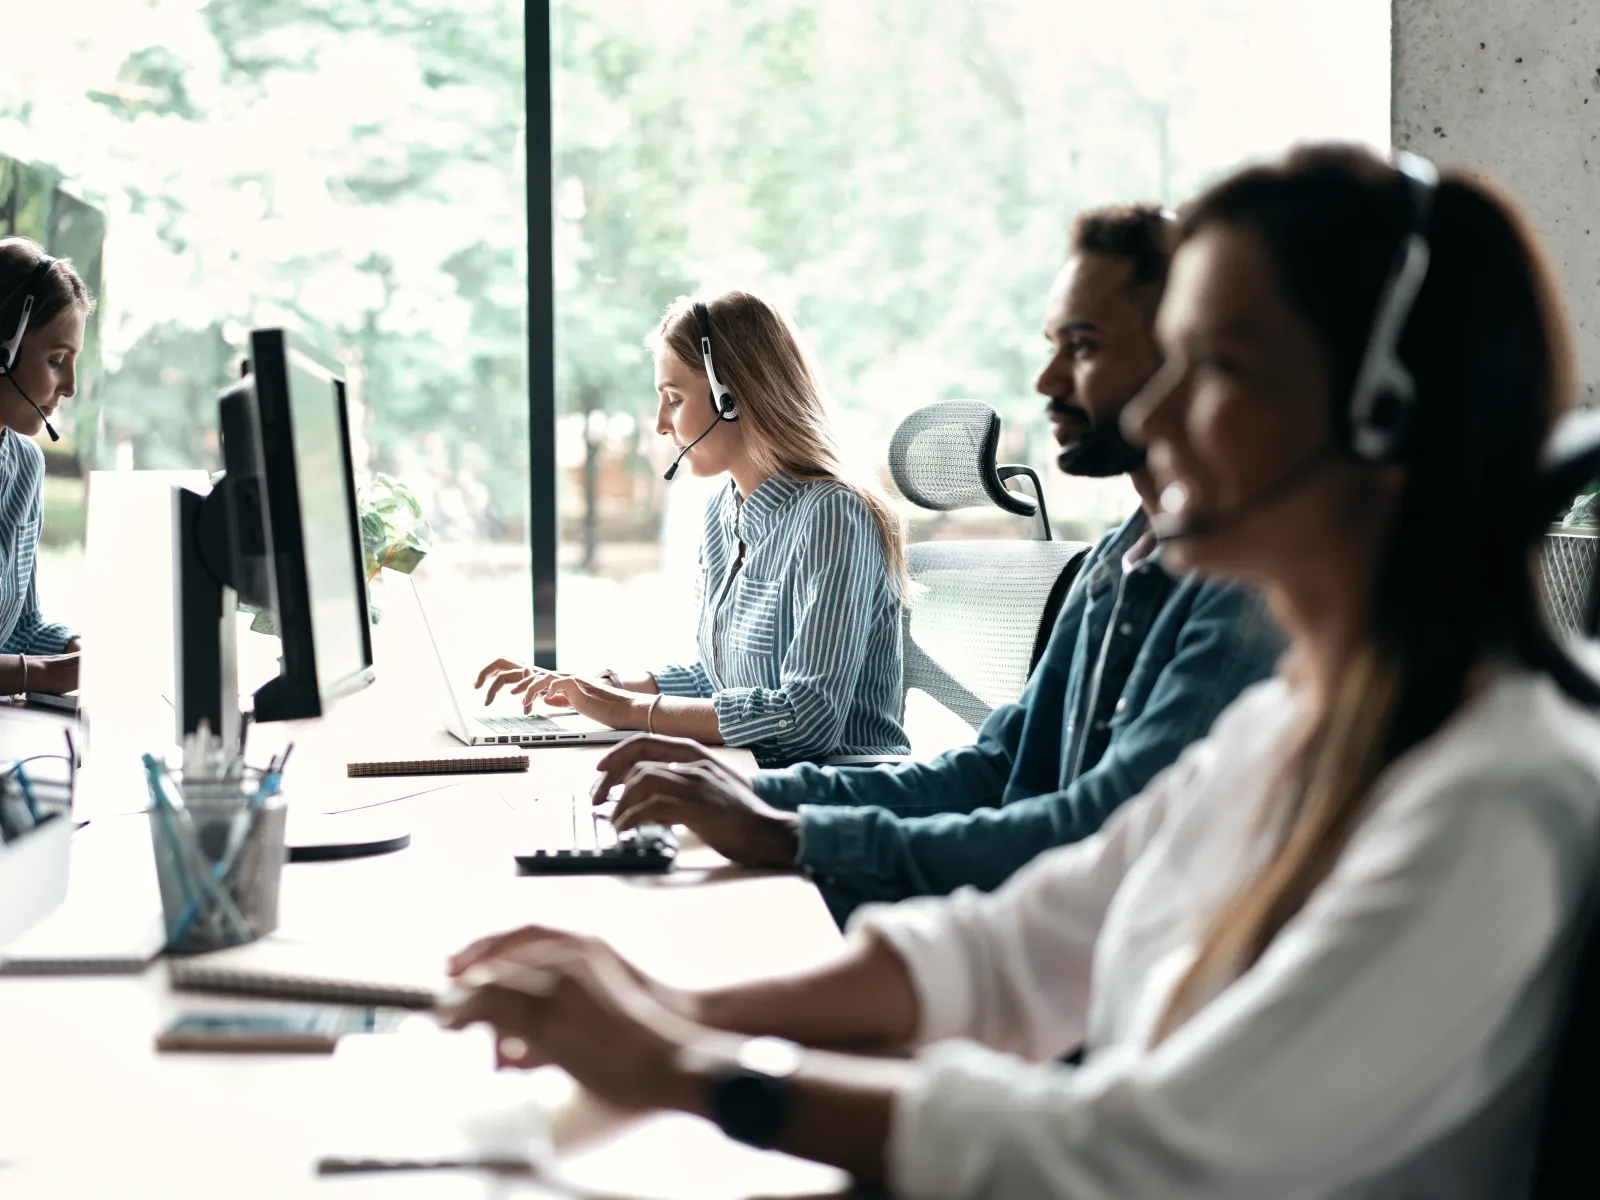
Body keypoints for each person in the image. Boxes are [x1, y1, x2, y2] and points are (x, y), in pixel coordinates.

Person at [444, 144, 1600, 1197]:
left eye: (1220, 368)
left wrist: (692, 1068)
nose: (1153, 412)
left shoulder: (1484, 805)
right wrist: (666, 1007)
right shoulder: (1295, 728)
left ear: (1384, 418)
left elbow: (1130, 1153)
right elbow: (1014, 953)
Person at [586, 206, 1282, 923]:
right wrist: (743, 794)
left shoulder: (1241, 593)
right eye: (1052, 345)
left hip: (1052, 947)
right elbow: (994, 768)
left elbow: (1092, 834)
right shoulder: (1114, 563)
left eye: (1082, 346)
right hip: (1007, 929)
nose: (1045, 381)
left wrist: (788, 831)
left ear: (1186, 358)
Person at [477, 291, 907, 766]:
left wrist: (631, 710)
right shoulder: (723, 512)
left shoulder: (833, 515)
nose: (662, 424)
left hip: (843, 792)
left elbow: (806, 721)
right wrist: (599, 686)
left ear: (733, 399)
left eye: (674, 399)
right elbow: (720, 683)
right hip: (748, 778)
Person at [0, 238, 90, 697]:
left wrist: (78, 651)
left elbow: (23, 626)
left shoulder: (24, 464)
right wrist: (38, 675)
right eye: (57, 361)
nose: (70, 387)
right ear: (3, 352)